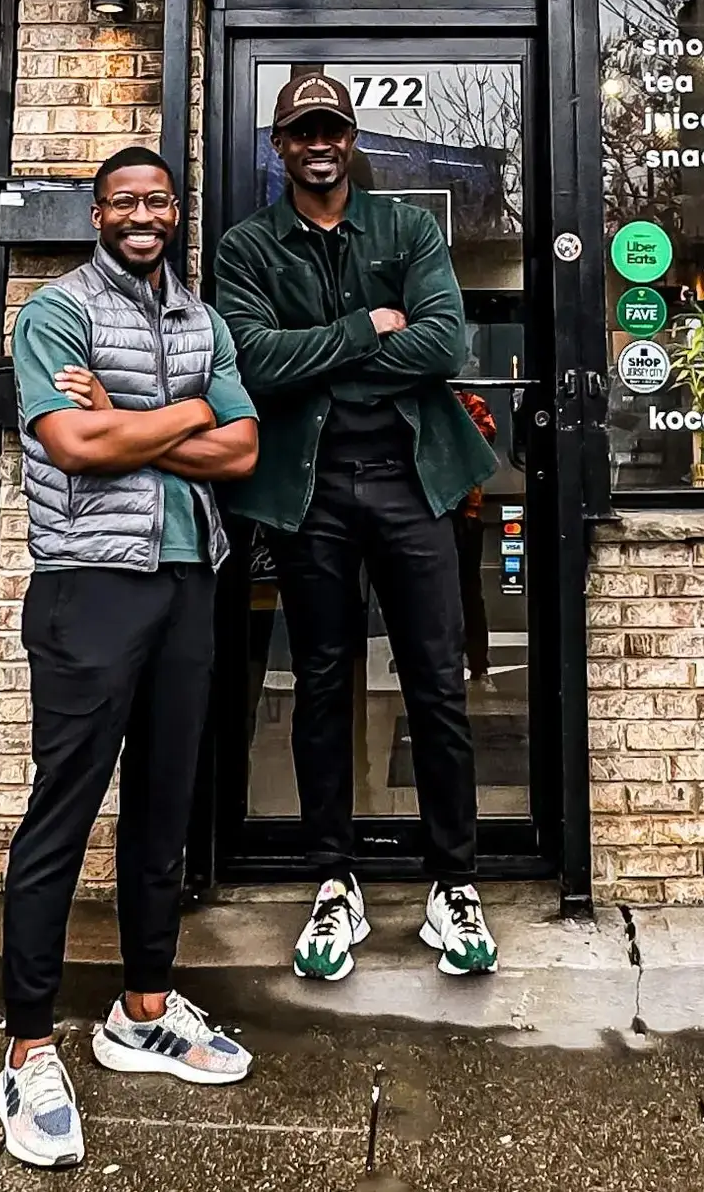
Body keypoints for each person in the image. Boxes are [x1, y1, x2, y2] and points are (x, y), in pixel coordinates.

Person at [0, 146, 260, 1169]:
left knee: (163, 807)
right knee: (63, 810)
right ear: (97, 214)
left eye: (157, 200)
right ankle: (27, 1045)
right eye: (122, 202)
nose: (141, 215)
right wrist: (182, 414)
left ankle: (143, 1011)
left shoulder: (202, 321)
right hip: (90, 585)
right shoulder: (55, 312)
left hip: (189, 579)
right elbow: (75, 447)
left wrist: (130, 416)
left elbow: (242, 450)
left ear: (176, 212)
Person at [215, 73, 501, 984]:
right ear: (281, 145)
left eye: (331, 129)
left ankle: (453, 883)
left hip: (414, 481)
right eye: (302, 131)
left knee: (437, 685)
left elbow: (444, 343)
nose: (319, 143)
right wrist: (366, 329)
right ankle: (333, 880)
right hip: (314, 491)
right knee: (323, 685)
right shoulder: (248, 246)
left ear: (350, 139)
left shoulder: (406, 229)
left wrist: (325, 360)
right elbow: (253, 361)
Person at [451, 389, 498, 697]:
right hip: (434, 510)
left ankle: (478, 662)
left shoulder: (472, 403)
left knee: (469, 591)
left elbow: (482, 442)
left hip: (465, 511)